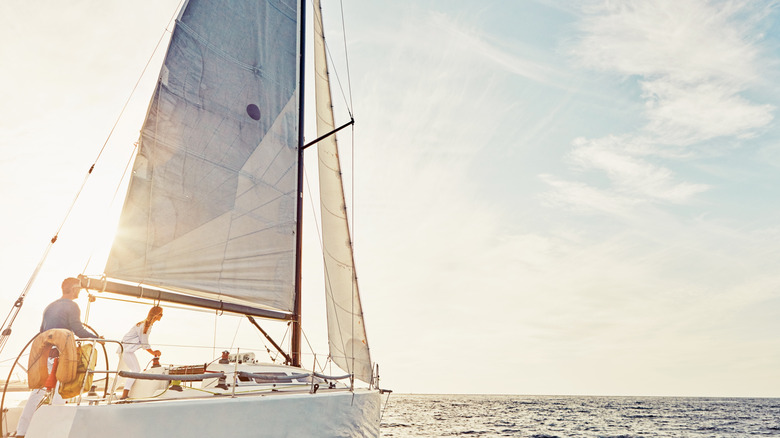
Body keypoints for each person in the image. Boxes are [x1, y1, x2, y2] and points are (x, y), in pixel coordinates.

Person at [16, 277, 100, 437]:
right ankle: (56, 433)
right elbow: (78, 329)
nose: (80, 291)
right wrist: (97, 338)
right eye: (79, 288)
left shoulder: (50, 306)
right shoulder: (72, 306)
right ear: (73, 289)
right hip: (62, 355)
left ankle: (22, 431)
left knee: (37, 393)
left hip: (46, 354)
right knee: (61, 391)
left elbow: (43, 331)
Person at [118, 306, 163, 399]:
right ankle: (124, 395)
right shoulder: (144, 326)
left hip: (126, 349)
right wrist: (154, 352)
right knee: (135, 370)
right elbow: (144, 342)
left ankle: (110, 393)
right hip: (126, 349)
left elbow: (144, 343)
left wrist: (153, 352)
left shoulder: (146, 325)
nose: (162, 316)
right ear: (156, 315)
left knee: (129, 371)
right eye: (161, 314)